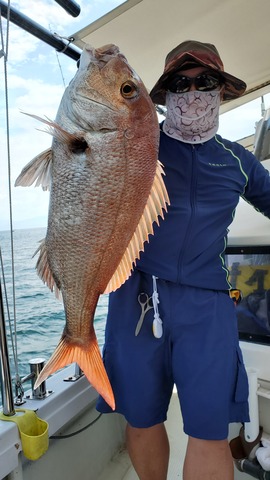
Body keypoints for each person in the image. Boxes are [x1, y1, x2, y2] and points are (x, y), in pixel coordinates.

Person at [97, 40, 270, 479]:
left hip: (208, 306)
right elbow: (91, 141)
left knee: (210, 429)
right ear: (166, 94)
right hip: (135, 298)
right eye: (180, 82)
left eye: (205, 81)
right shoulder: (139, 144)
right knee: (141, 417)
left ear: (223, 91)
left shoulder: (239, 160)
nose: (193, 92)